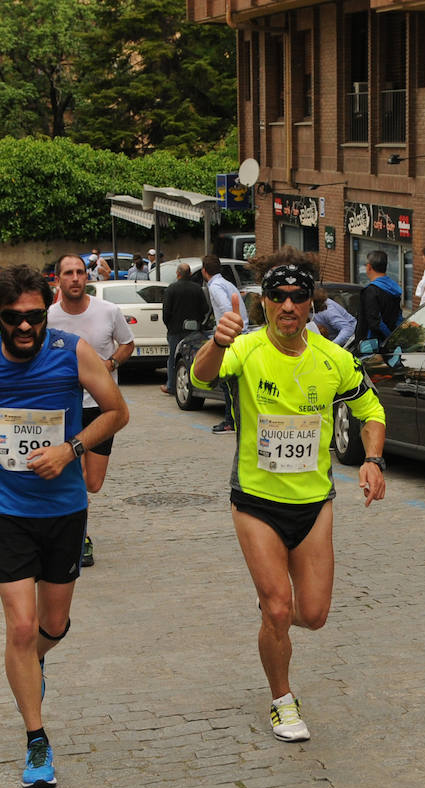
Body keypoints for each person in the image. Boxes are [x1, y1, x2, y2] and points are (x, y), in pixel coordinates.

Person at [0, 264, 129, 788]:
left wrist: (71, 449)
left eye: (34, 317)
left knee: (52, 626)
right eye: (13, 318)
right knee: (20, 627)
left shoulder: (73, 352)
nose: (24, 327)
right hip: (4, 510)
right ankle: (37, 738)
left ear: (48, 311)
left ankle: (31, 661)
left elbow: (117, 411)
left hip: (63, 511)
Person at [192, 247, 386, 743]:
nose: (287, 306)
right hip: (256, 500)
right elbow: (201, 376)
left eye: (298, 297)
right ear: (263, 304)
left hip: (314, 503)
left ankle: (272, 623)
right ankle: (282, 698)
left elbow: (372, 411)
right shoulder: (246, 348)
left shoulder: (333, 358)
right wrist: (216, 341)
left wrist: (372, 459)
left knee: (314, 616)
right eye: (277, 297)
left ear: (311, 304)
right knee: (279, 606)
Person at [47, 254, 134, 567]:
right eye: (68, 273)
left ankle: (70, 518)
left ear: (88, 277)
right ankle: (78, 534)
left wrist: (110, 363)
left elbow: (127, 344)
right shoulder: (48, 316)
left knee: (92, 482)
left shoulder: (108, 310)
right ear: (58, 278)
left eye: (80, 272)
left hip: (101, 408)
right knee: (69, 471)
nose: (75, 278)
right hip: (62, 409)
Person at [201, 254, 249, 434]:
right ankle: (234, 419)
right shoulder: (228, 283)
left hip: (231, 336)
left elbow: (225, 308)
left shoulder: (214, 286)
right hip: (240, 332)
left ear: (204, 271)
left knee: (226, 381)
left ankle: (230, 421)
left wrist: (226, 329)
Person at [161, 262, 209, 395]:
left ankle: (171, 385)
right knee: (193, 357)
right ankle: (194, 384)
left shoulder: (171, 289)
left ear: (177, 274)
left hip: (175, 330)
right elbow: (205, 309)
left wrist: (169, 325)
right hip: (194, 330)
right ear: (190, 274)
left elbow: (166, 311)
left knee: (173, 358)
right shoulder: (197, 289)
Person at [354, 251, 403, 352]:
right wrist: (392, 338)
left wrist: (388, 338)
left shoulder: (370, 291)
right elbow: (398, 317)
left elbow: (375, 322)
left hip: (371, 347)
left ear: (369, 267)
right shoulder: (394, 288)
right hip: (390, 347)